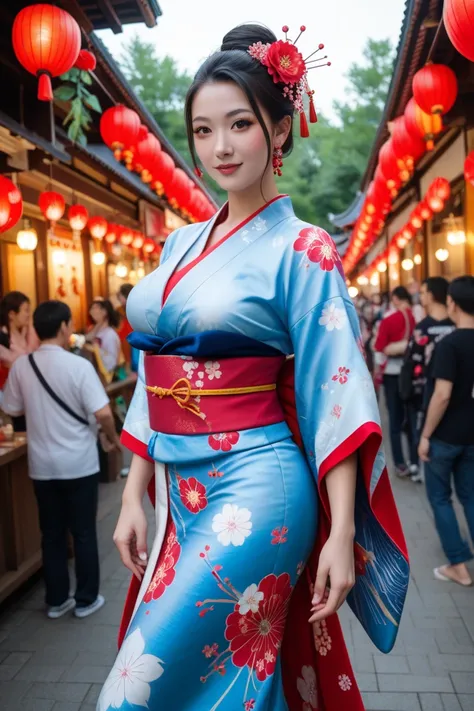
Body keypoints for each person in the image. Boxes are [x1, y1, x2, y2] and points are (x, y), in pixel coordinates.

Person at [97, 24, 408, 711]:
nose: (221, 147)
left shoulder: (306, 248)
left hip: (258, 485)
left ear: (279, 128)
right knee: (235, 683)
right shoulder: (180, 243)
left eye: (240, 124)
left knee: (137, 687)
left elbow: (337, 389)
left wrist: (343, 529)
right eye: (204, 131)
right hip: (181, 493)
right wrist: (131, 491)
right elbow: (157, 367)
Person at [2, 300, 121, 619]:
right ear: (65, 327)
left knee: (51, 534)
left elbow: (11, 409)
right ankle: (85, 600)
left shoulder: (22, 366)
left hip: (42, 466)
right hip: (79, 464)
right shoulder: (79, 365)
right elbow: (103, 412)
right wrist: (111, 437)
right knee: (82, 532)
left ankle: (56, 601)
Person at [418, 276, 474, 587]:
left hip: (445, 436)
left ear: (452, 303)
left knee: (440, 498)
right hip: (471, 437)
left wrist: (425, 435)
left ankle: (458, 565)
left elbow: (442, 395)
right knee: (470, 496)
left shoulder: (449, 344)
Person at [401, 277, 454, 482]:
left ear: (431, 295)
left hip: (424, 393)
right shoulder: (456, 326)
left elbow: (412, 362)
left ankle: (418, 466)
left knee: (421, 432)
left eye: (422, 293)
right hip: (457, 396)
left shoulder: (422, 329)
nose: (420, 297)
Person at [374, 286, 415, 477]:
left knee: (395, 421)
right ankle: (415, 461)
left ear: (396, 299)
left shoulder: (389, 320)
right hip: (414, 373)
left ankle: (400, 463)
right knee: (413, 419)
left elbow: (379, 346)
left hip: (392, 374)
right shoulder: (418, 318)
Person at [0, 291, 39, 430]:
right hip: (9, 401)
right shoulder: (3, 338)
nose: (28, 315)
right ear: (11, 314)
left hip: (29, 398)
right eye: (25, 311)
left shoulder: (28, 333)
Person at [86, 299, 122, 380]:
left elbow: (112, 362)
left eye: (95, 308)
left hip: (106, 377)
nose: (91, 311)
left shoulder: (110, 334)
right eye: (91, 308)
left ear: (104, 311)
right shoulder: (94, 330)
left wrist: (95, 350)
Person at [117, 284, 138, 373]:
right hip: (127, 340)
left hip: (131, 342)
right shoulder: (120, 310)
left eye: (120, 296)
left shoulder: (131, 308)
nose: (119, 299)